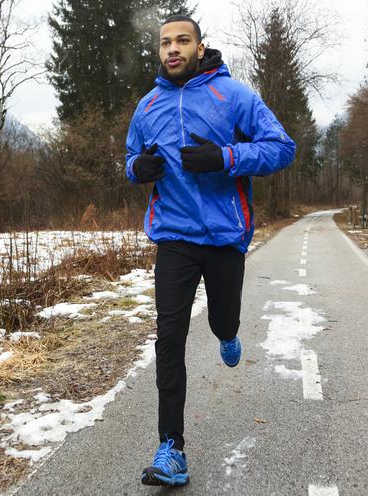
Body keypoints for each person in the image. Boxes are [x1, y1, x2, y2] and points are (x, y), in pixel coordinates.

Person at [125, 15, 296, 487]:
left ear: (200, 48)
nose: (173, 49)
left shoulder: (234, 96)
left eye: (183, 41)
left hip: (224, 237)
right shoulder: (148, 105)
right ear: (159, 51)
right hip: (174, 238)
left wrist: (226, 157)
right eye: (165, 43)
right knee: (169, 336)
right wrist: (138, 168)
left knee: (223, 319)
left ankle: (227, 332)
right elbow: (130, 159)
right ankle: (171, 448)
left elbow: (283, 148)